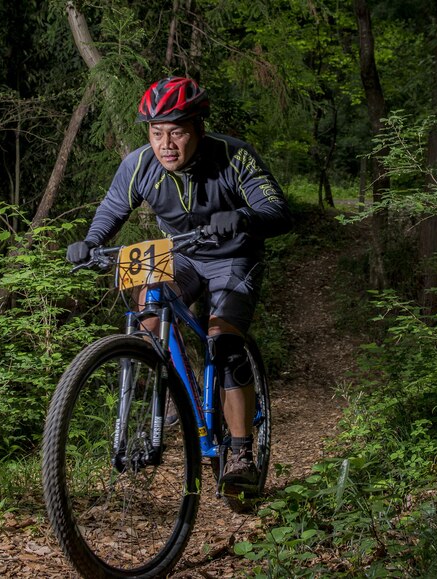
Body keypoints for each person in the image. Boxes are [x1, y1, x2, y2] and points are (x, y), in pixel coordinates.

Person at [66, 76, 292, 491]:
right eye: (156, 133)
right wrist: (92, 242)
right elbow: (113, 208)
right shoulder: (138, 164)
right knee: (146, 309)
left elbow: (278, 209)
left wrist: (244, 217)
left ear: (198, 129)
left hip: (234, 256)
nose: (166, 143)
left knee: (224, 342)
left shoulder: (233, 156)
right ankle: (169, 388)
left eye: (177, 132)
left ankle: (241, 449)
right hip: (181, 253)